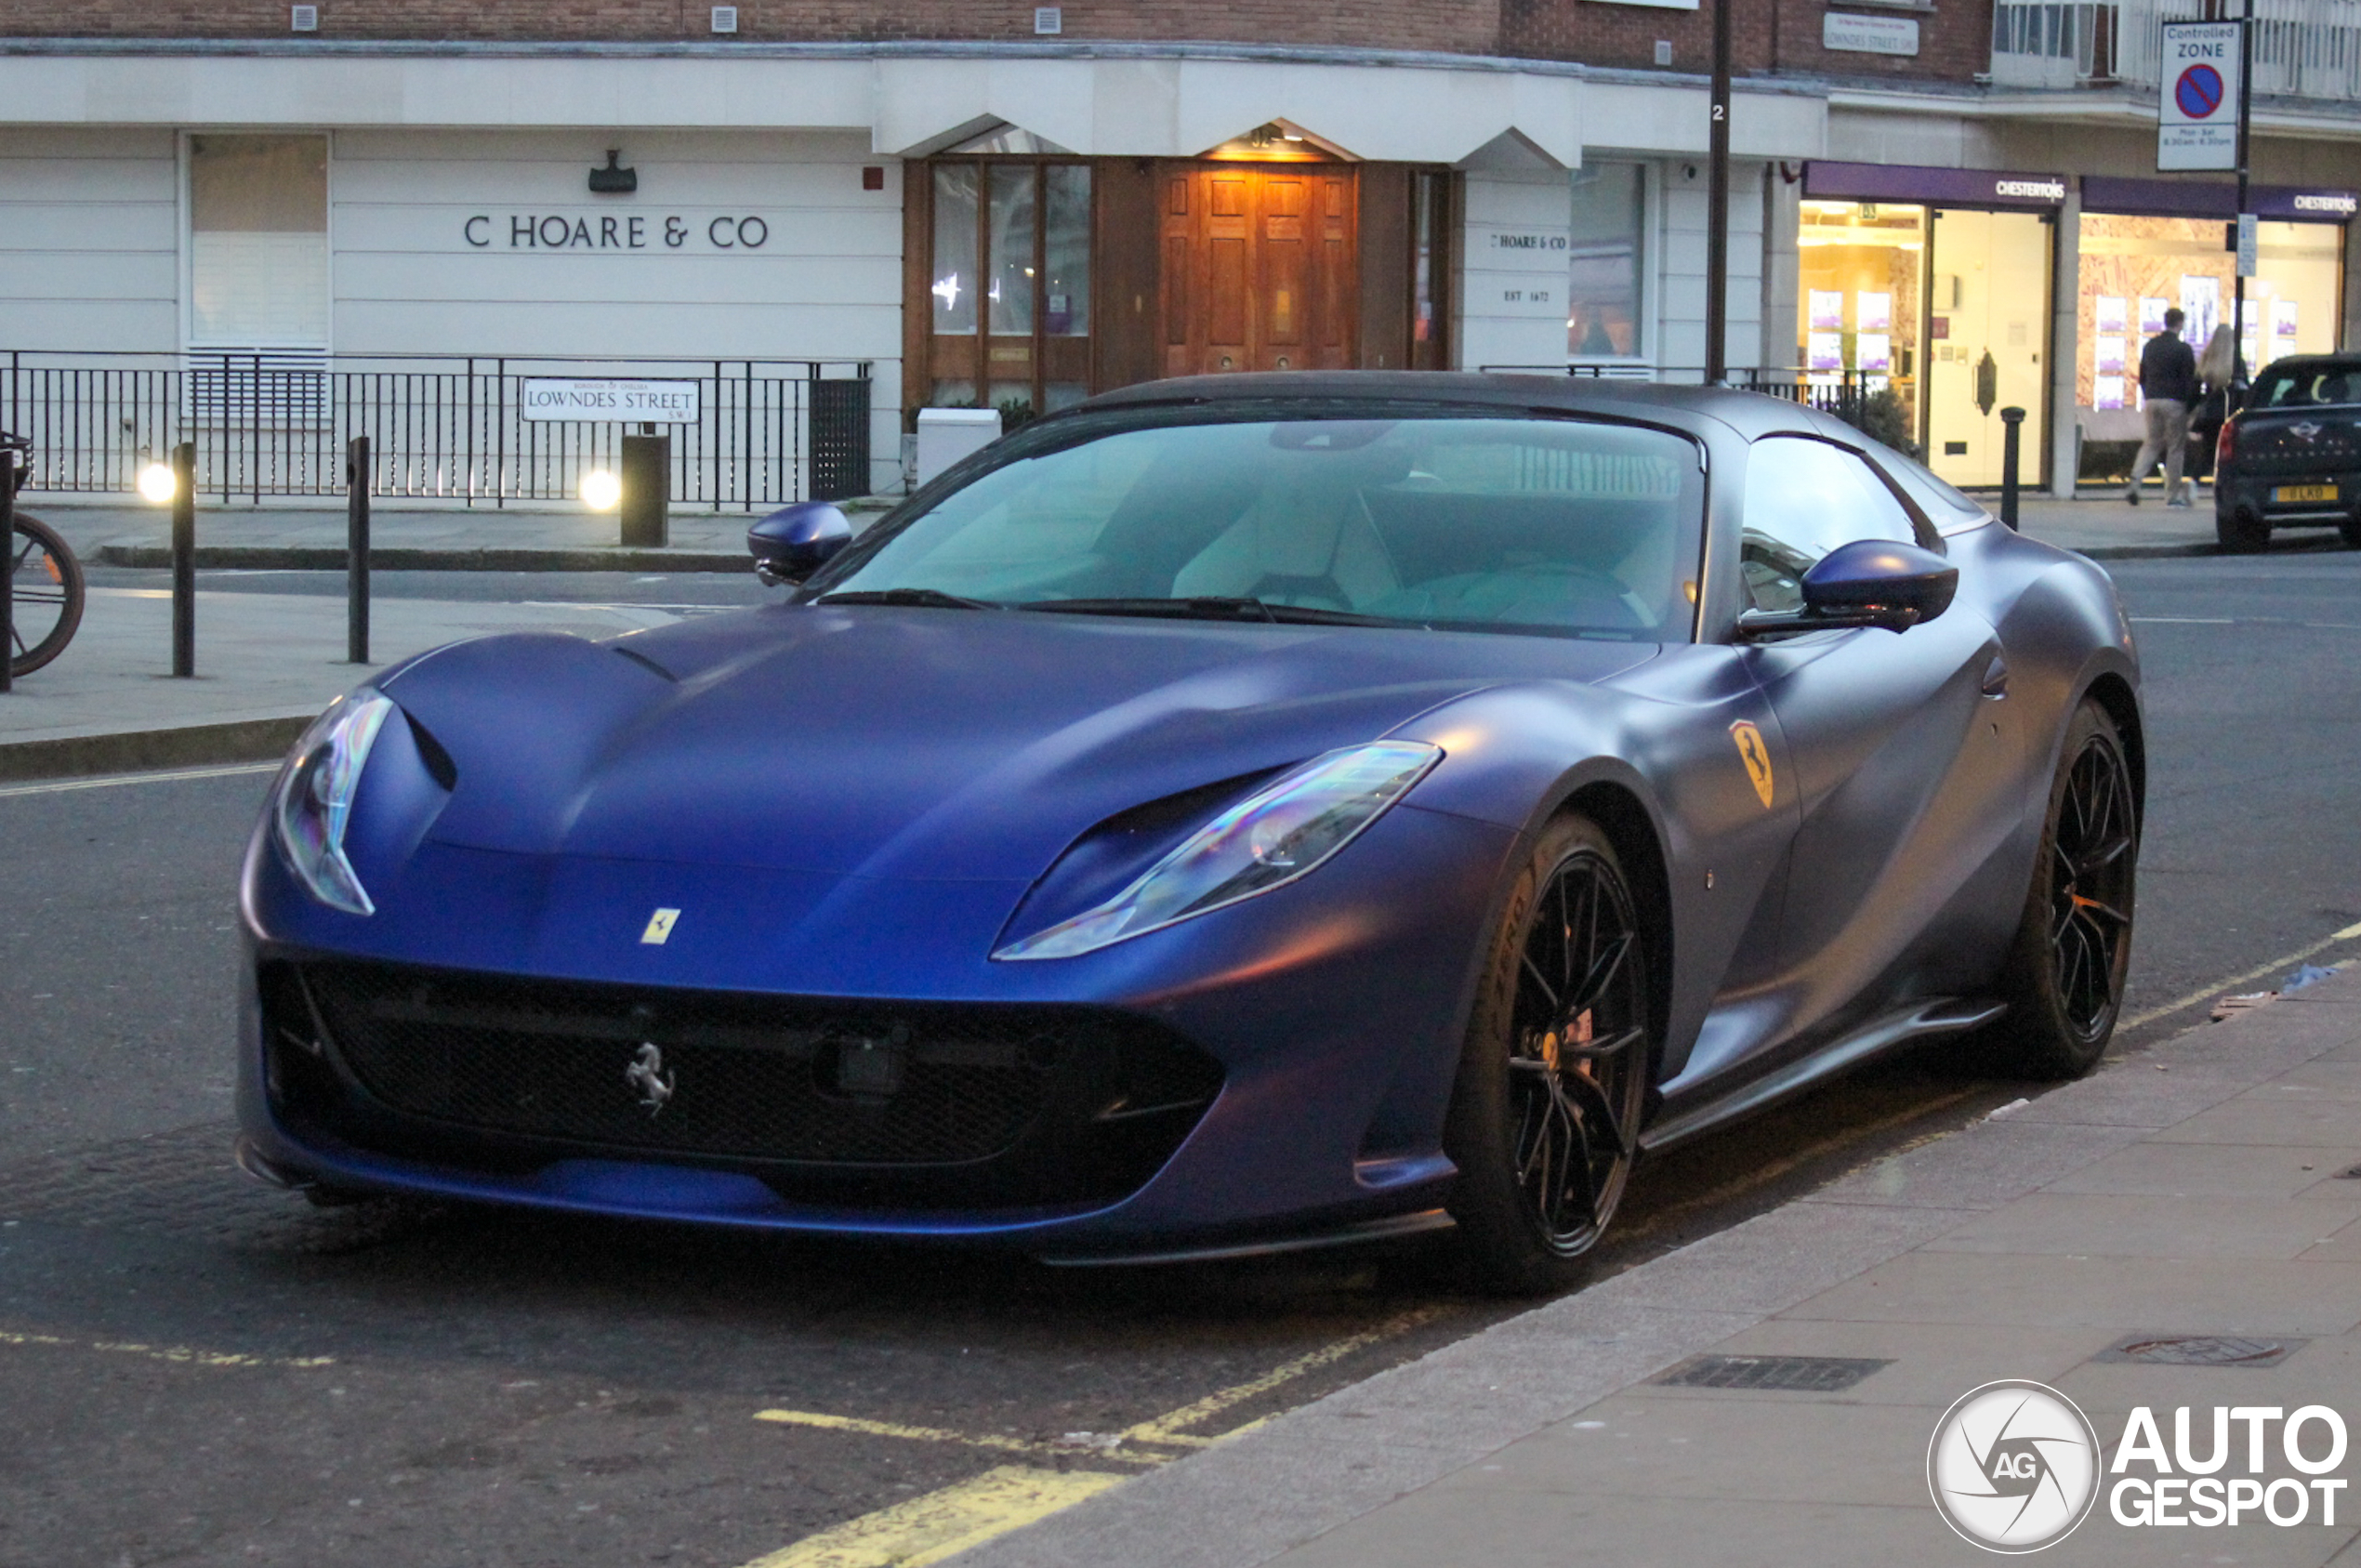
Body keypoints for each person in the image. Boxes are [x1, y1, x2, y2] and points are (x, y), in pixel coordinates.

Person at [2126, 307, 2199, 507]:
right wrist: (2191, 405)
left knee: (2151, 443)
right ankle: (2172, 495)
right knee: (2176, 448)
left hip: (2152, 399)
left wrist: (2148, 394)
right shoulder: (2183, 349)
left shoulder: (2150, 346)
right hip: (2175, 402)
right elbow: (2190, 380)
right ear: (2180, 323)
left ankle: (2135, 480)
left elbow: (2142, 376)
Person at [2185, 323, 2238, 488]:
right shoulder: (2236, 361)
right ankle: (2226, 482)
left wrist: (2189, 410)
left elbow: (2195, 389)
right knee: (2230, 451)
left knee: (2209, 451)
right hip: (2228, 411)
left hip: (2210, 414)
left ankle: (2194, 480)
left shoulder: (2206, 360)